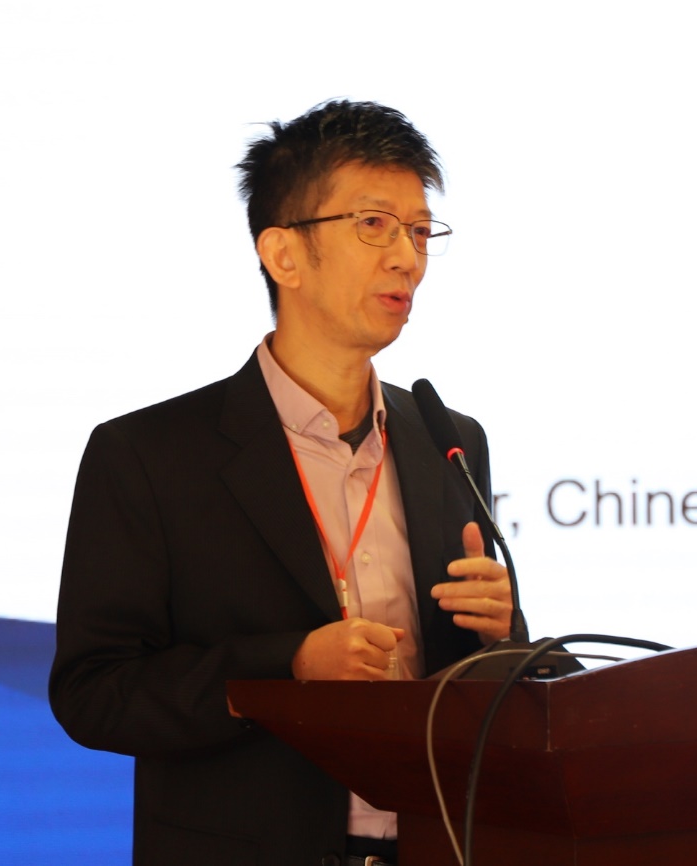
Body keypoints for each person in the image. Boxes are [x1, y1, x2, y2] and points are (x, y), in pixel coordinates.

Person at [49, 100, 513, 866]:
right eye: (374, 225)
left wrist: (502, 634)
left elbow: (473, 687)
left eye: (420, 230)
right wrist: (288, 665)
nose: (406, 257)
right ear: (283, 255)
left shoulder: (449, 440)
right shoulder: (148, 455)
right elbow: (94, 694)